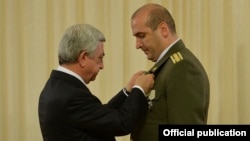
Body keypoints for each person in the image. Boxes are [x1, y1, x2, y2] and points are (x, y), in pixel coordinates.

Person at [38, 23, 154, 141]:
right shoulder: (71, 96)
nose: (102, 66)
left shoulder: (57, 87)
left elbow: (100, 116)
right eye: (100, 58)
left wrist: (128, 91)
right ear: (83, 58)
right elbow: (121, 124)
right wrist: (139, 89)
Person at [130, 3, 210, 141]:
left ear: (163, 29)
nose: (137, 45)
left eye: (142, 35)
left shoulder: (183, 67)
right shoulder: (166, 67)